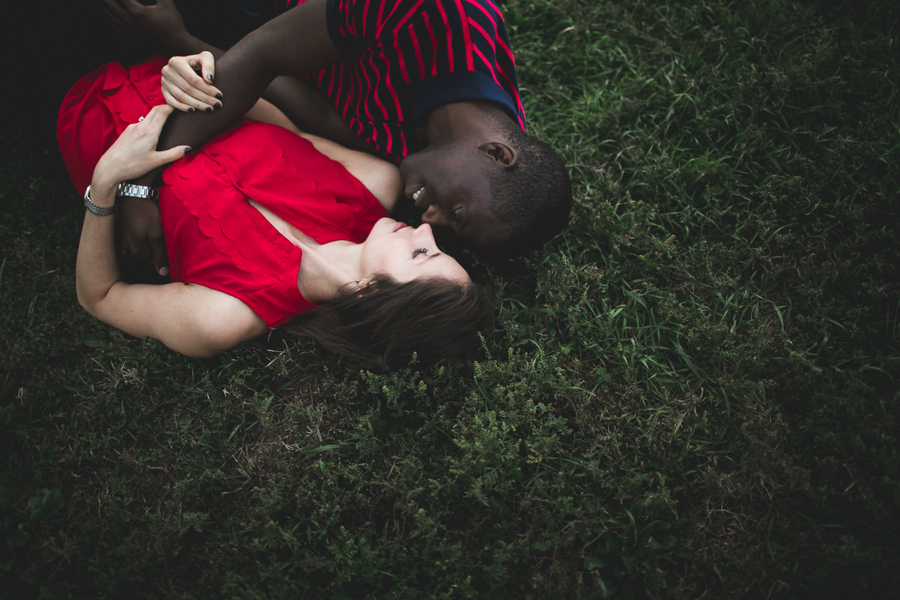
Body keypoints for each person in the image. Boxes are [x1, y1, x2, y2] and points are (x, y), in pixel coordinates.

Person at [60, 57, 492, 366]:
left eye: (422, 255)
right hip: (169, 67)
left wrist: (106, 183)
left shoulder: (223, 316)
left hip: (81, 107)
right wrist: (205, 78)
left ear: (369, 293)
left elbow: (99, 297)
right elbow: (276, 123)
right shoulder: (373, 183)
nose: (425, 232)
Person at [99, 0, 572, 276]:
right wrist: (142, 179)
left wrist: (179, 37)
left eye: (444, 229)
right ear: (497, 153)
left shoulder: (433, 154)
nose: (429, 219)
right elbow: (265, 53)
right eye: (457, 212)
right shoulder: (434, 17)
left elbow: (318, 112)